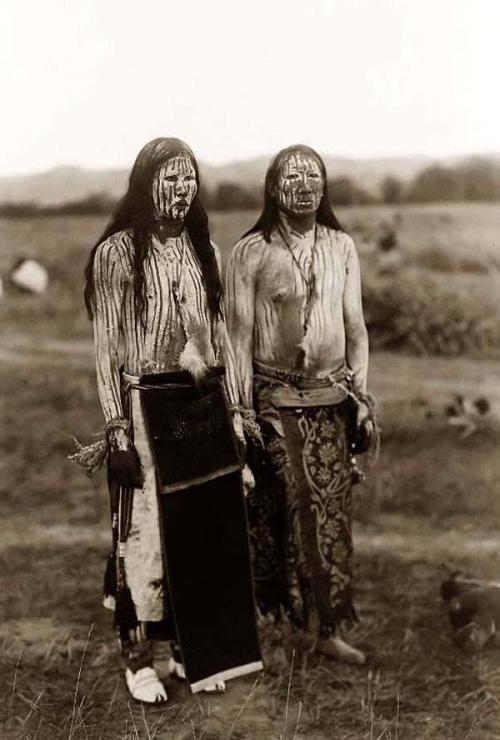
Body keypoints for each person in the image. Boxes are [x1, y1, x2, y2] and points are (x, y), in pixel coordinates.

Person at [82, 137, 262, 703]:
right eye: (170, 179)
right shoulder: (116, 253)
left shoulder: (201, 245)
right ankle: (139, 658)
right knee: (142, 535)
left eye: (190, 180)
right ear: (145, 183)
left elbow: (221, 338)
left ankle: (190, 649)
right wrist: (116, 431)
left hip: (197, 402)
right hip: (143, 405)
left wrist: (234, 409)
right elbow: (106, 348)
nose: (181, 191)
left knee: (197, 528)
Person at [225, 144, 376, 666]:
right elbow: (237, 341)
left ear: (324, 186)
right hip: (274, 401)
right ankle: (274, 632)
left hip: (333, 399)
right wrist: (241, 415)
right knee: (283, 509)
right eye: (292, 177)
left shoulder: (341, 246)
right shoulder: (251, 251)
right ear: (273, 189)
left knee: (331, 517)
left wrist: (361, 398)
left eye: (314, 176)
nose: (304, 184)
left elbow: (356, 330)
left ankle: (326, 629)